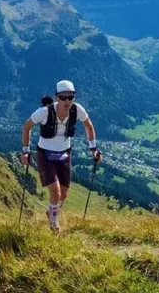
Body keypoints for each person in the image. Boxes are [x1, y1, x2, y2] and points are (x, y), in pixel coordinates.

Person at [20, 79, 102, 232]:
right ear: (56, 97)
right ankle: (54, 226)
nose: (67, 101)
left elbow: (88, 125)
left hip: (65, 153)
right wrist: (25, 151)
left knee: (63, 194)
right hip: (45, 154)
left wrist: (93, 149)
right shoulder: (44, 112)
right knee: (56, 192)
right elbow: (26, 127)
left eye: (70, 97)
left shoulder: (77, 110)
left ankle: (51, 211)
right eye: (63, 98)